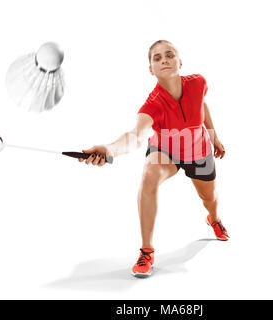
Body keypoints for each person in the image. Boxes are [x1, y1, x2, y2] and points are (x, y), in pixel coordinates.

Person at [79, 40, 229, 278]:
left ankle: (214, 218)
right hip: (166, 151)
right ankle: (146, 250)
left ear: (180, 62)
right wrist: (108, 149)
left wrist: (214, 137)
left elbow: (202, 105)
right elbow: (134, 137)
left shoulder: (198, 82)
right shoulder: (153, 104)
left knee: (209, 199)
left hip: (198, 150)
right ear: (151, 69)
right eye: (157, 58)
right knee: (149, 175)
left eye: (169, 55)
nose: (164, 60)